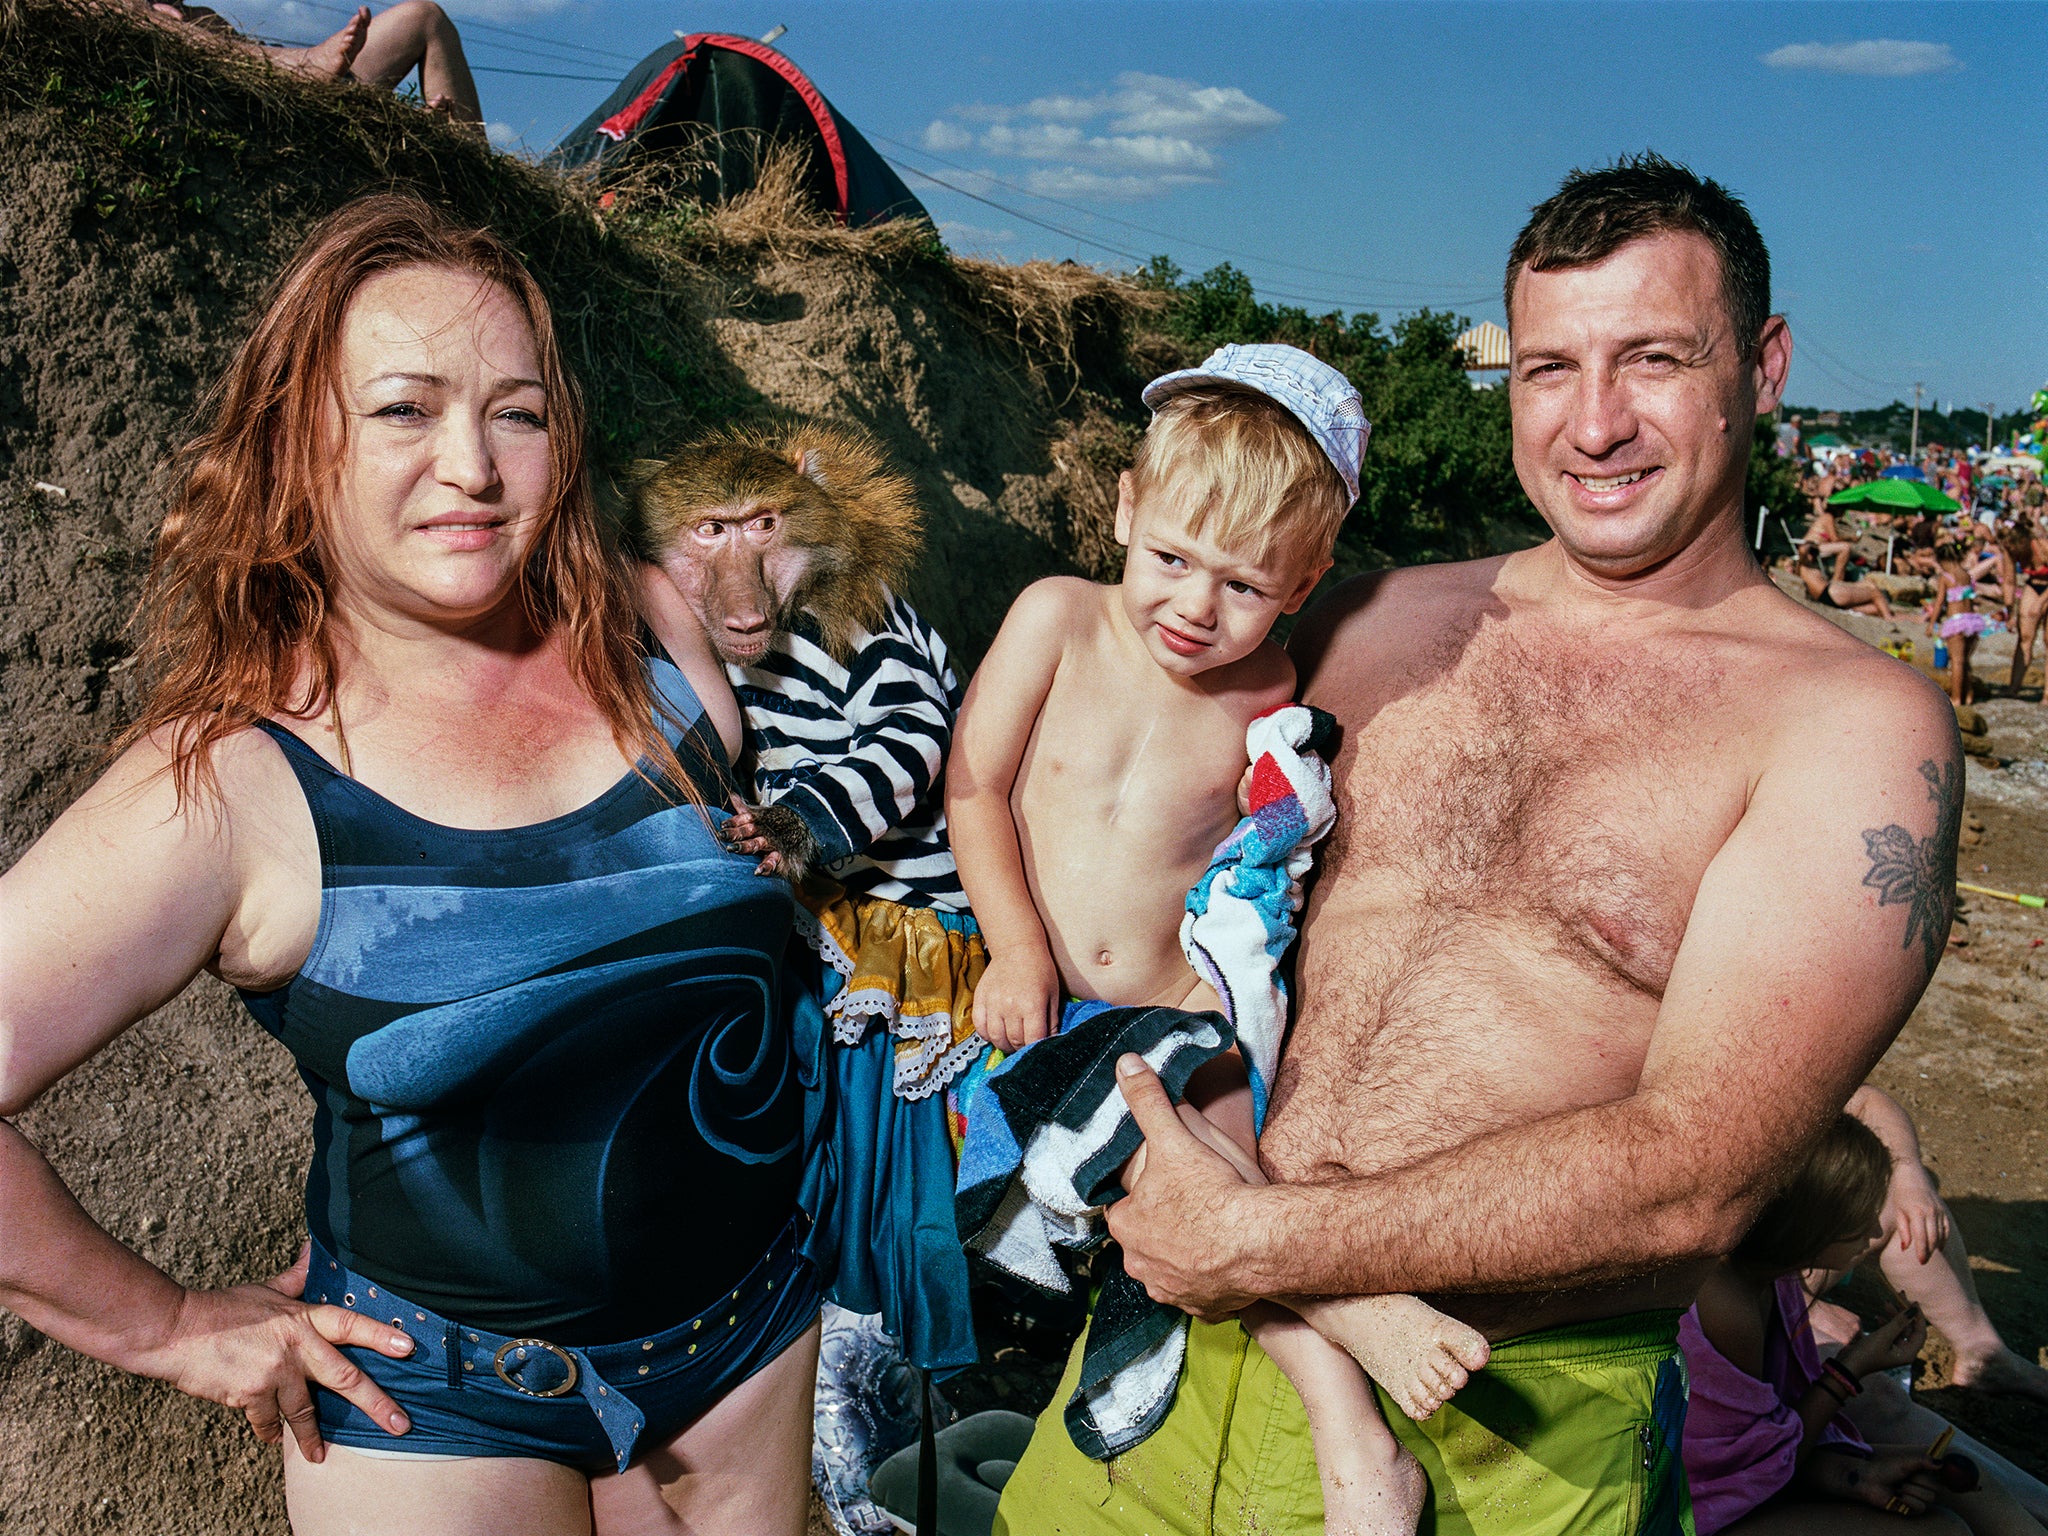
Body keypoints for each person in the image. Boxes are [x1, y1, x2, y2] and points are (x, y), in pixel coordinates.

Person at [995, 154, 1961, 1536]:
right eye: (1550, 368)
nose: (1597, 422)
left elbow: (1701, 1174)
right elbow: (1107, 802)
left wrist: (1261, 1239)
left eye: (1654, 359)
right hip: (1163, 1358)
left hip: (1505, 1426)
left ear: (1765, 362)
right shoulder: (1366, 623)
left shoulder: (1855, 730)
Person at [0, 196, 822, 1534]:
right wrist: (168, 1326)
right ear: (298, 444)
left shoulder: (653, 639)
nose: (474, 467)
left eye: (518, 411)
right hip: (438, 1414)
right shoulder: (232, 785)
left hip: (748, 1345)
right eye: (404, 410)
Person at [950, 345, 1488, 1536]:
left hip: (1179, 1012)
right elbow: (975, 787)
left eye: (1243, 585)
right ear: (1125, 507)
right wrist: (1013, 949)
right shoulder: (1058, 619)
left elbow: (1263, 851)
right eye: (1170, 561)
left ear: (1305, 581)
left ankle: (1350, 1436)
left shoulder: (1269, 692)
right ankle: (1354, 1350)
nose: (1193, 607)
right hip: (1049, 1002)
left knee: (1231, 1198)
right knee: (1178, 1197)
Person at [1681, 1112, 2044, 1536]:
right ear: (1809, 1230)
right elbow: (1759, 1470)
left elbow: (1769, 1447)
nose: (1874, 1230)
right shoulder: (1727, 1308)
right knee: (1942, 1530)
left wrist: (1853, 1472)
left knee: (1965, 1479)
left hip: (1769, 1471)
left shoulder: (1764, 1277)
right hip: (1703, 1513)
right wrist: (1850, 1371)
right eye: (1858, 1222)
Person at [1804, 1088, 2048, 1407]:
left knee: (1896, 1199)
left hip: (1780, 1270)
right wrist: (1803, 1309)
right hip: (1737, 1298)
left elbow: (1865, 1100)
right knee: (1864, 1397)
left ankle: (1983, 1354)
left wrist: (1907, 1171)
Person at [128, 0, 483, 124]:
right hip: (289, 75)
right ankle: (305, 67)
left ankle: (472, 171)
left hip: (286, 83)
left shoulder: (199, 15)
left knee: (425, 18)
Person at [1795, 541, 1893, 617]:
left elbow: (1844, 548)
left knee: (1875, 603)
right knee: (1873, 591)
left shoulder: (1806, 567)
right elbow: (1803, 550)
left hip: (1828, 596)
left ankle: (1854, 610)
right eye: (1811, 552)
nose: (1812, 555)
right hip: (1831, 592)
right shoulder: (1803, 564)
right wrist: (1816, 547)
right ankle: (1888, 617)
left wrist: (1815, 549)